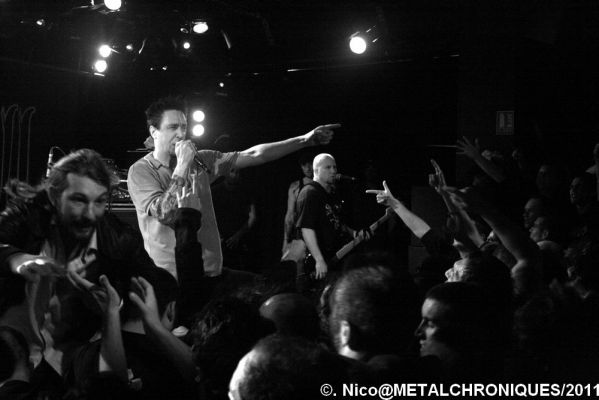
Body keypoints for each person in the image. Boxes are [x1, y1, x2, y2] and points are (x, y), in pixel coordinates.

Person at [128, 96, 338, 278]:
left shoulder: (201, 160)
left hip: (210, 271)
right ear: (154, 131)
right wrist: (182, 165)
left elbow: (254, 155)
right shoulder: (141, 171)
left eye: (184, 127)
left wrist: (304, 140)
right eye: (173, 127)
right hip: (172, 277)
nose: (181, 134)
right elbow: (164, 213)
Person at [0, 149, 157, 371]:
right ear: (54, 196)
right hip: (11, 359)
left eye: (99, 201)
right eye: (79, 200)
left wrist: (114, 308)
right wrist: (13, 258)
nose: (90, 214)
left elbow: (157, 290)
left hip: (67, 365)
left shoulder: (117, 237)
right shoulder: (28, 217)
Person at [295, 153, 365, 281]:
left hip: (333, 259)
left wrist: (354, 233)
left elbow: (336, 222)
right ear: (316, 170)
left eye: (334, 167)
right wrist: (319, 260)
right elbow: (306, 228)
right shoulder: (310, 193)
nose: (333, 171)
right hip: (316, 265)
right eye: (328, 167)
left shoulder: (331, 194)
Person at [282, 152, 313, 257]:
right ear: (301, 167)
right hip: (302, 235)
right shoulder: (295, 187)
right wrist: (285, 240)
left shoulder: (324, 183)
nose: (308, 168)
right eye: (304, 165)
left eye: (310, 164)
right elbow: (290, 215)